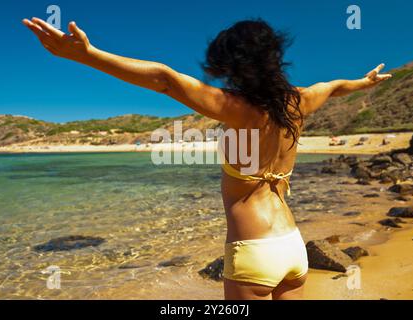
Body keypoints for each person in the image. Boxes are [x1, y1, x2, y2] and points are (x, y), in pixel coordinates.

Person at [23, 17, 392, 300]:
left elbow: (165, 79)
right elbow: (334, 87)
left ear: (232, 64)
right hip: (294, 247)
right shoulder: (301, 101)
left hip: (254, 252)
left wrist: (87, 55)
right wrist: (365, 82)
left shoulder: (235, 108)